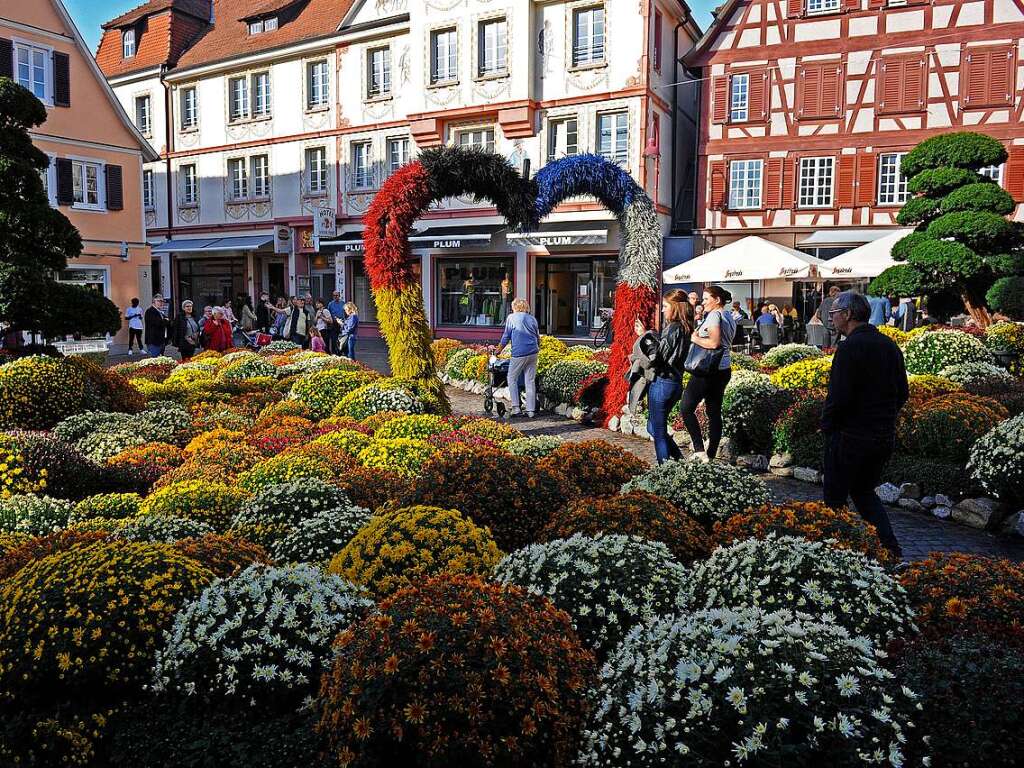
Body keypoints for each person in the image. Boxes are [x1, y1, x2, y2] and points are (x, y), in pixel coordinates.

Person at [821, 292, 908, 560]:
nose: (831, 317)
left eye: (834, 312)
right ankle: (889, 548)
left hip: (851, 435)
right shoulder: (888, 344)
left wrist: (828, 425)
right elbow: (902, 392)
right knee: (863, 492)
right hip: (882, 434)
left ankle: (835, 552)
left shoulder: (850, 347)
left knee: (835, 498)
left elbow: (839, 396)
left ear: (847, 314)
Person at [633, 290, 693, 464]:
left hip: (663, 382)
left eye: (665, 306)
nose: (663, 310)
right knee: (653, 427)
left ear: (674, 307)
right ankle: (678, 461)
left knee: (657, 431)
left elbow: (659, 358)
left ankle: (665, 470)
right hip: (674, 383)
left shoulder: (674, 327)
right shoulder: (686, 327)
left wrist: (646, 337)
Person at [679, 285, 737, 462]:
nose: (702, 303)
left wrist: (695, 338)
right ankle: (711, 454)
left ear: (717, 300)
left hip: (706, 370)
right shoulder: (728, 315)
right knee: (714, 412)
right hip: (723, 369)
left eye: (705, 299)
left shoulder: (714, 315)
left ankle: (699, 449)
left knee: (686, 407)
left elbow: (714, 343)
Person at [496, 298, 541, 418]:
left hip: (519, 353)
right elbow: (537, 336)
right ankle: (530, 410)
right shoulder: (532, 319)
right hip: (533, 352)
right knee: (530, 381)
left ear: (515, 307)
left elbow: (506, 336)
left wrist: (498, 350)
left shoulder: (511, 317)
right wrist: (537, 347)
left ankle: (516, 408)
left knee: (512, 378)